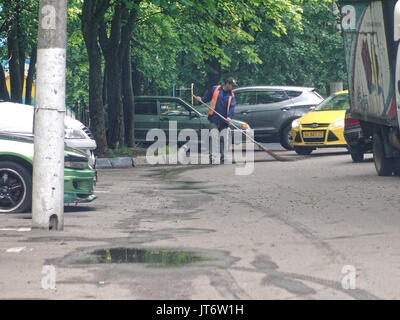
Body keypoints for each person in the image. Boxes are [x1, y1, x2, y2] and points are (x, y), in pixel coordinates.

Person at [194, 77, 238, 164]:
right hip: (214, 118)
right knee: (213, 137)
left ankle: (223, 158)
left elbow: (232, 108)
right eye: (232, 85)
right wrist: (200, 99)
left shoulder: (231, 95)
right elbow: (206, 98)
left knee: (223, 139)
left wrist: (229, 117)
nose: (233, 87)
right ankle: (212, 158)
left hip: (224, 121)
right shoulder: (215, 89)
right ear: (227, 84)